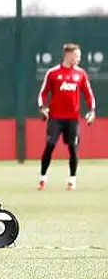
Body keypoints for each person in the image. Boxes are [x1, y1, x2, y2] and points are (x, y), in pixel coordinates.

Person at [37, 42, 95, 190]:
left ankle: (72, 180)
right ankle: (42, 178)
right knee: (50, 145)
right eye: (76, 56)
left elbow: (89, 95)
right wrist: (42, 108)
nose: (78, 59)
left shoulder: (80, 74)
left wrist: (91, 110)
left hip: (72, 118)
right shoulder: (53, 73)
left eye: (79, 56)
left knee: (73, 148)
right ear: (68, 56)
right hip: (55, 117)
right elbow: (43, 92)